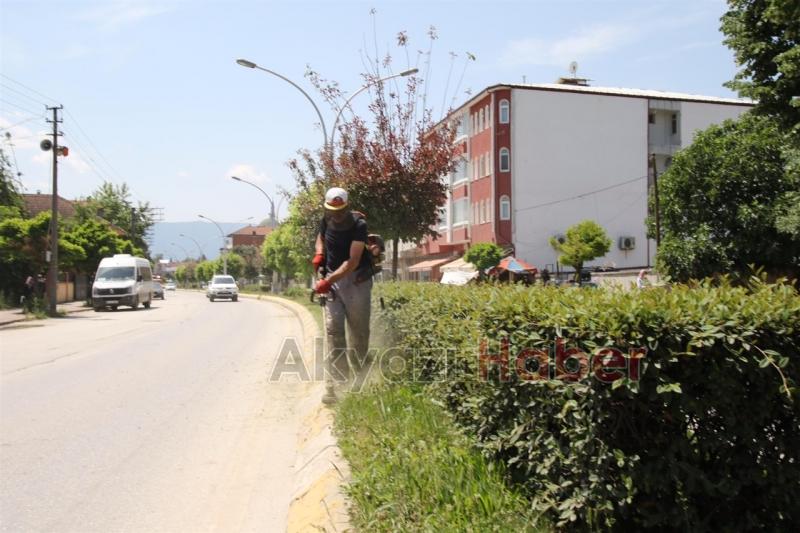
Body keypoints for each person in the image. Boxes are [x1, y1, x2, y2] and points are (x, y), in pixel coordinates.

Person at [313, 187, 373, 383]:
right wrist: (319, 254)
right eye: (332, 210)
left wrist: (327, 281)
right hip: (332, 283)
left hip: (357, 281)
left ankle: (361, 372)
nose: (336, 215)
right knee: (333, 330)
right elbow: (320, 238)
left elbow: (353, 261)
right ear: (327, 208)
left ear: (347, 207)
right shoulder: (326, 220)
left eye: (340, 211)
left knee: (358, 332)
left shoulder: (359, 224)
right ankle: (340, 380)